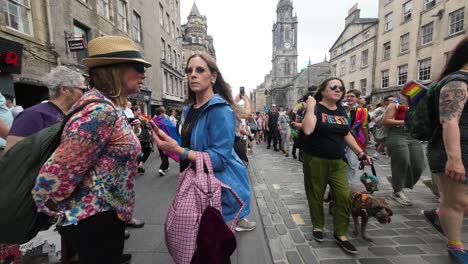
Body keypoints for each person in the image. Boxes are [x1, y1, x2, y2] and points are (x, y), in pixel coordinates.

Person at [31, 36, 151, 264]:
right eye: (138, 67)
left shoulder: (109, 106)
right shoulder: (99, 111)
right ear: (114, 71)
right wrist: (50, 210)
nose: (143, 73)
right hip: (94, 220)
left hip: (104, 215)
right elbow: (58, 172)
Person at [152, 52, 256, 232]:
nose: (193, 74)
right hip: (192, 182)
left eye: (200, 70)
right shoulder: (187, 110)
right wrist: (167, 137)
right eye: (189, 70)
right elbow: (190, 144)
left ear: (213, 76)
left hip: (216, 189)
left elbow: (219, 160)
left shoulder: (221, 110)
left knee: (214, 247)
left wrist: (178, 150)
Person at [301, 77, 372, 254]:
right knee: (316, 194)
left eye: (341, 87)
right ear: (323, 90)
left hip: (338, 161)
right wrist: (310, 106)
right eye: (333, 87)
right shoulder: (315, 107)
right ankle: (318, 226)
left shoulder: (341, 109)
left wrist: (360, 152)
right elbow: (308, 129)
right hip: (315, 159)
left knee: (342, 196)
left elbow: (346, 133)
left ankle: (341, 234)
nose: (338, 90)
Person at [423, 37, 468, 263]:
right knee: (457, 203)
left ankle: (441, 213)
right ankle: (456, 248)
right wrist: (455, 159)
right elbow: (449, 121)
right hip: (453, 152)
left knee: (458, 202)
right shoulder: (457, 82)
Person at [382, 95, 425, 206]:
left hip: (413, 135)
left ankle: (397, 180)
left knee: (419, 165)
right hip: (397, 134)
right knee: (403, 161)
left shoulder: (419, 105)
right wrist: (405, 122)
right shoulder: (395, 104)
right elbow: (385, 121)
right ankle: (397, 191)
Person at [345, 89, 370, 185]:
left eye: (352, 96)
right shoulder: (340, 108)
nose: (349, 98)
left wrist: (366, 141)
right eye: (347, 96)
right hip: (339, 139)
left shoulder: (363, 111)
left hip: (355, 139)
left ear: (357, 98)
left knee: (351, 162)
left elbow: (364, 127)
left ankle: (348, 184)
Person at [371, 96, 394, 160]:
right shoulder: (380, 109)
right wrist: (378, 122)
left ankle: (386, 155)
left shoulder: (395, 108)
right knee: (384, 142)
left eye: (393, 100)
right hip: (384, 128)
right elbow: (373, 118)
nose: (393, 101)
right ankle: (377, 154)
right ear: (386, 102)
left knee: (386, 142)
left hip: (392, 128)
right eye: (391, 100)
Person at [132, 105, 153, 174]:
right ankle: (140, 165)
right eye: (139, 110)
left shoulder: (130, 118)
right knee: (147, 151)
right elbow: (149, 127)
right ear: (134, 111)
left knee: (139, 153)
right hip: (143, 139)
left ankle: (139, 166)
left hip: (136, 139)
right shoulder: (141, 118)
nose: (140, 111)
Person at [155, 106, 170, 176]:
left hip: (158, 140)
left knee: (163, 154)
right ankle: (161, 168)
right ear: (161, 113)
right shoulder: (163, 120)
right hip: (164, 139)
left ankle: (166, 167)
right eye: (164, 112)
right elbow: (169, 128)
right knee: (165, 154)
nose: (165, 113)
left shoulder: (154, 120)